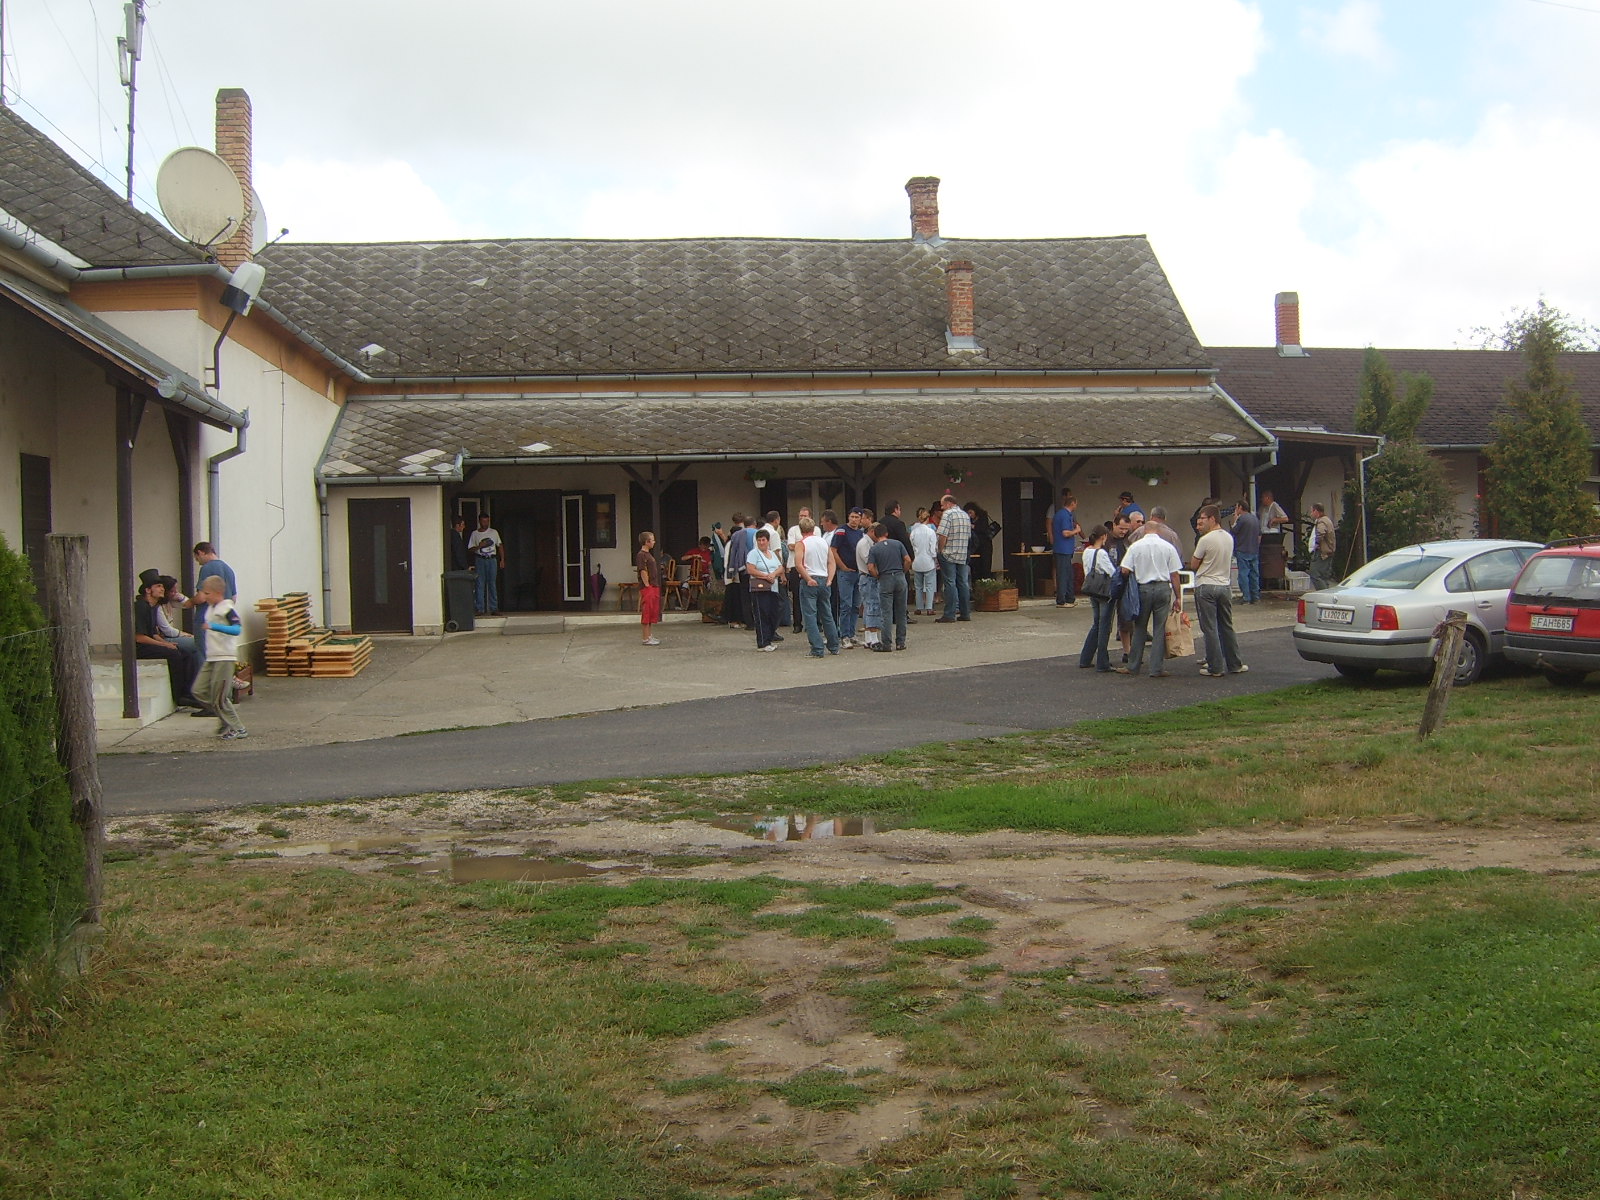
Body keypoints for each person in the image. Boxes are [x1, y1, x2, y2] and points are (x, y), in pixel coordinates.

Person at [1117, 521, 1184, 678]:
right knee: (1159, 629)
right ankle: (1156, 668)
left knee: (1140, 628)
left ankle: (1133, 666)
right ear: (1158, 531)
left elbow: (1125, 570)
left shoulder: (1135, 547)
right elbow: (1175, 575)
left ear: (1144, 531)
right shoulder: (1168, 547)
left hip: (1143, 589)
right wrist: (1178, 597)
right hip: (1163, 588)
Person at [1190, 504, 1248, 678]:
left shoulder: (1205, 540)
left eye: (1203, 518)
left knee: (1210, 628)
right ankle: (1235, 663)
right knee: (1226, 626)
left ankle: (1215, 666)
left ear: (1212, 518)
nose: (1200, 522)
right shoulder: (1229, 537)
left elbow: (1194, 564)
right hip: (1224, 584)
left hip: (1206, 584)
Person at [133, 569, 200, 708]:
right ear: (148, 590)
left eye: (162, 586)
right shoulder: (140, 607)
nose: (162, 589)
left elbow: (154, 634)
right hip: (141, 648)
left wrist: (166, 643)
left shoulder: (152, 607)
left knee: (185, 653)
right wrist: (165, 646)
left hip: (150, 643)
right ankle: (179, 696)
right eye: (158, 586)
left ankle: (190, 693)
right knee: (174, 655)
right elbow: (139, 637)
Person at [192, 575, 248, 739]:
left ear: (218, 592)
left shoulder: (227, 608)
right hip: (211, 657)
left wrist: (214, 626)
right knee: (198, 690)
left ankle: (238, 728)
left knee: (220, 697)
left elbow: (237, 629)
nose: (204, 597)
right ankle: (224, 719)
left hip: (225, 657)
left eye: (207, 593)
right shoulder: (210, 609)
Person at [795, 517, 841, 657]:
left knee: (810, 615)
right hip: (824, 578)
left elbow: (798, 564)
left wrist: (808, 578)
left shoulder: (801, 543)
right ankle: (834, 646)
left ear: (801, 530)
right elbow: (831, 562)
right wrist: (830, 579)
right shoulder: (823, 542)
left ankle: (817, 648)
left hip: (810, 579)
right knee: (827, 614)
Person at [1076, 524, 1118, 672]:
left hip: (1092, 590)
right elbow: (1112, 572)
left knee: (1096, 624)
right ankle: (1102, 662)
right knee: (1104, 626)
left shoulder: (1087, 551)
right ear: (1104, 537)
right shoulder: (1101, 553)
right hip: (1104, 592)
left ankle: (1085, 658)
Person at [866, 521, 912, 652]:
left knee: (886, 612)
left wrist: (877, 576)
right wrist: (903, 571)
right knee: (901, 611)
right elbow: (908, 560)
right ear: (886, 533)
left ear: (875, 535)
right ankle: (901, 642)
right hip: (899, 576)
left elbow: (870, 567)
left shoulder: (874, 548)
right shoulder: (898, 544)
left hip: (885, 578)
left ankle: (886, 643)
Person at [825, 510, 863, 647]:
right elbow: (833, 549)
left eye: (857, 517)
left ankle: (852, 634)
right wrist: (842, 566)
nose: (854, 519)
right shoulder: (842, 530)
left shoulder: (861, 533)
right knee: (846, 605)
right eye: (852, 516)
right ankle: (844, 635)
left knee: (856, 605)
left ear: (860, 519)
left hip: (858, 572)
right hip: (845, 573)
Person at [746, 528, 785, 651]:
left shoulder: (772, 553)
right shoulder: (753, 553)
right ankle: (763, 642)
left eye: (763, 540)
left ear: (768, 541)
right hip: (760, 589)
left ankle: (770, 636)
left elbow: (780, 568)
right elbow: (750, 569)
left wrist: (773, 575)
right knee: (762, 615)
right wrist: (765, 576)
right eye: (759, 540)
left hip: (773, 588)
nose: (761, 542)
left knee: (774, 613)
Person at [936, 495, 973, 622]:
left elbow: (942, 535)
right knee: (963, 583)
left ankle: (949, 614)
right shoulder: (965, 515)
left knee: (950, 583)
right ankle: (965, 613)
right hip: (962, 554)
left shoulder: (948, 514)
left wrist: (940, 550)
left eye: (942, 505)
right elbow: (969, 536)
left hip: (949, 554)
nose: (942, 508)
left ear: (948, 503)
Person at [189, 542, 237, 633]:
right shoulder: (229, 570)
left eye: (197, 559)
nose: (199, 563)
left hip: (206, 619)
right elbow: (233, 598)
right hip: (223, 620)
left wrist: (190, 602)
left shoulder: (207, 568)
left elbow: (201, 597)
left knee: (205, 642)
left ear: (201, 553)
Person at [467, 513, 504, 616]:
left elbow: (500, 545)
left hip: (492, 559)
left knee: (492, 584)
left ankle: (494, 608)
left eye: (487, 521)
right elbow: (470, 549)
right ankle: (480, 608)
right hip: (480, 559)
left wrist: (502, 559)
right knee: (480, 584)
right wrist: (480, 546)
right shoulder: (475, 534)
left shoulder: (494, 532)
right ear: (479, 521)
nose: (486, 523)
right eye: (484, 521)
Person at [1051, 490, 1081, 607]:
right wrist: (1076, 530)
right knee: (1063, 575)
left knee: (1068, 574)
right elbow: (1065, 533)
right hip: (1062, 549)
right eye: (1076, 504)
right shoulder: (1064, 515)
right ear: (1072, 503)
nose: (1076, 506)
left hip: (1066, 549)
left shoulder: (1065, 514)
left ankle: (1070, 598)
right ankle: (1061, 600)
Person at [1231, 500, 1262, 604]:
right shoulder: (1255, 519)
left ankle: (1246, 597)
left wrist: (1235, 520)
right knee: (1254, 574)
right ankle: (1255, 597)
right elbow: (1259, 535)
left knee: (1243, 574)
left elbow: (1233, 531)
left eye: (1236, 507)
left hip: (1243, 549)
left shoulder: (1241, 519)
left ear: (1240, 507)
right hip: (1254, 550)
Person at [909, 507, 939, 616]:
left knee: (918, 586)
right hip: (928, 561)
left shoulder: (913, 532)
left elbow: (912, 546)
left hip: (917, 561)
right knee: (930, 585)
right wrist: (934, 557)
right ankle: (929, 608)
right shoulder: (931, 532)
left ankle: (919, 607)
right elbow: (933, 549)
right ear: (928, 518)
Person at [722, 512, 749, 630]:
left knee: (738, 599)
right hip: (732, 576)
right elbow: (728, 561)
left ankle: (739, 619)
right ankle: (732, 620)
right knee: (732, 599)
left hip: (737, 575)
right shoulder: (730, 544)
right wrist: (732, 573)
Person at [636, 531, 662, 645]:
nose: (654, 542)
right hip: (648, 587)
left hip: (654, 585)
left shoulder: (648, 554)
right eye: (652, 540)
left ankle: (649, 635)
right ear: (647, 542)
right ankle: (645, 638)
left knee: (652, 612)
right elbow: (642, 570)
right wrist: (647, 585)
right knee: (646, 612)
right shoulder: (641, 555)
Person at [964, 502, 998, 579]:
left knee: (985, 566)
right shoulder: (969, 520)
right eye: (968, 513)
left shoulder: (983, 516)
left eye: (970, 512)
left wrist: (973, 526)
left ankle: (985, 581)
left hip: (985, 545)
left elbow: (983, 529)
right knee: (975, 566)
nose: (970, 515)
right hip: (975, 545)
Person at [1308, 503, 1338, 588]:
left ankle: (1322, 592)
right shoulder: (1327, 520)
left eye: (1312, 511)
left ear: (1316, 511)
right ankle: (1326, 592)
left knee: (1315, 574)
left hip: (1321, 553)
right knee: (1324, 576)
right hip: (1326, 552)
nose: (1311, 514)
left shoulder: (1322, 521)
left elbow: (1321, 532)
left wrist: (1316, 544)